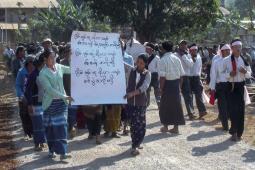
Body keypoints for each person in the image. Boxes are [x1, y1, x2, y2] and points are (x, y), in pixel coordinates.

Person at [39, 49, 73, 160]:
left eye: (54, 57)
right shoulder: (42, 74)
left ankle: (63, 153)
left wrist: (72, 59)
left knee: (61, 127)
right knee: (51, 129)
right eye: (51, 57)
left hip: (62, 104)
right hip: (50, 104)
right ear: (45, 59)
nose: (53, 60)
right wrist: (65, 96)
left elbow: (72, 70)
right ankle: (51, 150)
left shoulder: (59, 67)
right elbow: (49, 90)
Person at [223, 39, 252, 141]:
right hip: (231, 87)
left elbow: (249, 74)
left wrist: (245, 72)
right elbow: (221, 74)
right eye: (237, 47)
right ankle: (234, 132)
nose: (239, 48)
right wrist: (229, 74)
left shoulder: (244, 60)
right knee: (232, 110)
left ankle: (239, 133)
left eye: (240, 46)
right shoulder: (226, 60)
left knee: (240, 110)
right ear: (232, 48)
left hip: (240, 87)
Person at [125, 54, 151, 156]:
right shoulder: (131, 71)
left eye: (141, 63)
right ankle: (134, 145)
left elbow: (145, 87)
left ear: (145, 64)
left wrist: (132, 93)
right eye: (138, 62)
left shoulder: (147, 74)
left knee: (140, 125)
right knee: (133, 124)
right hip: (131, 103)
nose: (139, 64)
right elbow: (126, 83)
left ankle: (137, 143)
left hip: (141, 103)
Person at [158, 41, 185, 134]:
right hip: (176, 83)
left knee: (164, 106)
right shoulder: (177, 58)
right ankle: (176, 128)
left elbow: (162, 77)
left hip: (167, 84)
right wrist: (180, 87)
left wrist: (161, 89)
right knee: (176, 106)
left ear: (163, 49)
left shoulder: (162, 60)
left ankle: (165, 127)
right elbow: (181, 76)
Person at [24, 53, 46, 151]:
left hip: (45, 102)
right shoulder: (33, 75)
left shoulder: (45, 72)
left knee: (43, 123)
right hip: (35, 103)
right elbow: (27, 90)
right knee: (37, 124)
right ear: (41, 63)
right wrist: (29, 104)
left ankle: (42, 142)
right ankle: (37, 143)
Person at [209, 43, 231, 131]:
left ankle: (230, 126)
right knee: (222, 107)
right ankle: (225, 126)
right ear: (222, 51)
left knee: (229, 106)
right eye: (226, 50)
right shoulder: (217, 62)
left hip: (231, 86)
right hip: (221, 86)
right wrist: (212, 88)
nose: (228, 52)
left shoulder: (232, 61)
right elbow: (213, 75)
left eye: (229, 50)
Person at [60, 44, 78, 139]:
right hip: (64, 92)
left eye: (71, 52)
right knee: (65, 112)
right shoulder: (61, 63)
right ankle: (68, 128)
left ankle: (72, 127)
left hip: (75, 92)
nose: (69, 53)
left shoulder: (78, 63)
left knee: (73, 112)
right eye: (68, 51)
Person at [16, 55, 35, 139]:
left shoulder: (36, 72)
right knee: (24, 116)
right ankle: (26, 133)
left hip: (34, 97)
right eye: (30, 63)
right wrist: (21, 95)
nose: (32, 65)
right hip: (23, 97)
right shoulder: (21, 72)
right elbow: (18, 85)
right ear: (27, 63)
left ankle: (34, 133)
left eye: (33, 63)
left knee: (34, 116)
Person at [175, 40, 195, 120]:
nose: (183, 46)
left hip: (185, 77)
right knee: (177, 95)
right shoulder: (175, 55)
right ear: (179, 45)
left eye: (185, 44)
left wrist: (183, 56)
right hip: (177, 77)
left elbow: (190, 65)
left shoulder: (187, 55)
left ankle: (190, 113)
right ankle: (177, 113)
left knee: (187, 96)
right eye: (182, 44)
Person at [189, 44, 207, 119]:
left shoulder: (198, 57)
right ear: (191, 51)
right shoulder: (189, 57)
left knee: (198, 95)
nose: (195, 51)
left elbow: (199, 67)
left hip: (196, 77)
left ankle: (202, 111)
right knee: (190, 96)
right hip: (190, 78)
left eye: (195, 50)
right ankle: (191, 112)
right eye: (193, 50)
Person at [145, 43, 161, 108]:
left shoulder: (156, 57)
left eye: (147, 49)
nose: (146, 50)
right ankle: (147, 104)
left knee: (157, 90)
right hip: (147, 74)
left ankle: (159, 104)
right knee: (147, 90)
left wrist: (159, 77)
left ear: (151, 49)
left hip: (155, 75)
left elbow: (159, 68)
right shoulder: (145, 56)